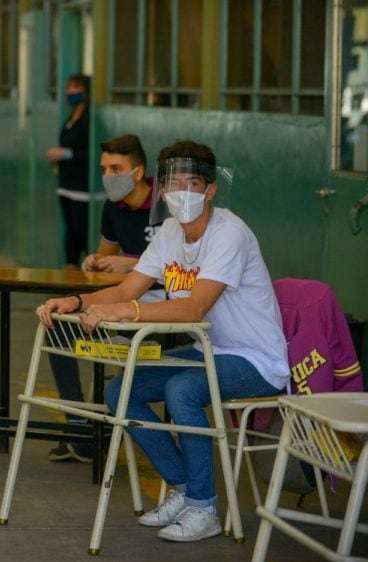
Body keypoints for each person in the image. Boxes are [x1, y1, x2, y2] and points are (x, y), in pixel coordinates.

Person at [36, 140, 289, 542]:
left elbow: (193, 309)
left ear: (210, 190)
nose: (179, 192)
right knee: (121, 392)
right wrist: (76, 301)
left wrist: (127, 313)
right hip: (210, 351)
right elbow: (126, 290)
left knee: (181, 389)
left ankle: (204, 507)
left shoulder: (230, 234)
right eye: (172, 183)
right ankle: (186, 487)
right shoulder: (171, 231)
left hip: (254, 359)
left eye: (191, 183)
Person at [47, 134, 161, 464]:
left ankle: (106, 423)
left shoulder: (167, 204)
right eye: (104, 169)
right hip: (122, 306)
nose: (108, 176)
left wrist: (134, 263)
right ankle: (81, 425)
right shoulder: (114, 208)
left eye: (116, 168)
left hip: (163, 313)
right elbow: (105, 259)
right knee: (58, 329)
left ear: (137, 172)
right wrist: (94, 262)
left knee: (118, 349)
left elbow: (183, 266)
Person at [46, 74, 91, 269]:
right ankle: (70, 265)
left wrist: (67, 154)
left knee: (80, 229)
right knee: (70, 229)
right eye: (68, 87)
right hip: (65, 182)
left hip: (81, 184)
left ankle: (83, 267)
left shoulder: (88, 118)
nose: (69, 92)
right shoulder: (71, 115)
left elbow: (90, 151)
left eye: (75, 87)